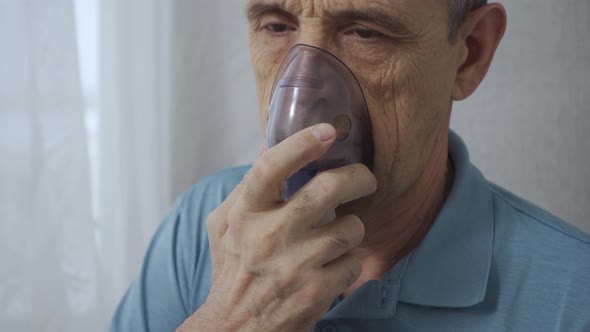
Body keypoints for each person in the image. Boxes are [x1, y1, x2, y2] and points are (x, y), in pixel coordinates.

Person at [110, 1, 590, 331]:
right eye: (277, 25)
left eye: (365, 31)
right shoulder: (201, 226)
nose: (308, 88)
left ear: (470, 54)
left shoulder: (574, 298)